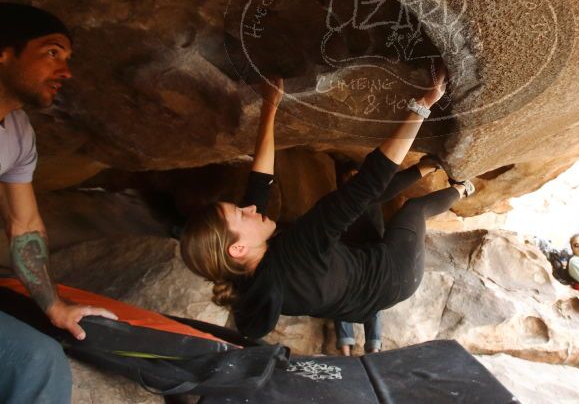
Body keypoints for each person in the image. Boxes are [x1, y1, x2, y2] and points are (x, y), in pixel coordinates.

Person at [180, 68, 475, 339]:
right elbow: (370, 179)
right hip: (393, 277)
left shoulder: (245, 275)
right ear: (238, 248)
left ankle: (425, 166)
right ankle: (463, 188)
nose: (248, 209)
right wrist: (424, 103)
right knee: (413, 209)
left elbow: (260, 181)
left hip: (352, 274)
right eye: (240, 215)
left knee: (362, 202)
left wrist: (270, 107)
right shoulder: (296, 253)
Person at [0, 3, 117, 403]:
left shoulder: (16, 130)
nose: (65, 71)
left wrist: (53, 305)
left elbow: (24, 224)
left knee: (37, 358)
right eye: (52, 52)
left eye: (67, 59)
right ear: (4, 52)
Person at [333, 156, 442, 355]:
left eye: (355, 176)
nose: (351, 179)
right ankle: (345, 350)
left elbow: (393, 186)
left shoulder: (370, 196)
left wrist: (422, 169)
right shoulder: (338, 201)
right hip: (349, 258)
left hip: (373, 254)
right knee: (341, 298)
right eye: (347, 176)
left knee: (373, 301)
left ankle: (373, 348)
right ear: (341, 181)